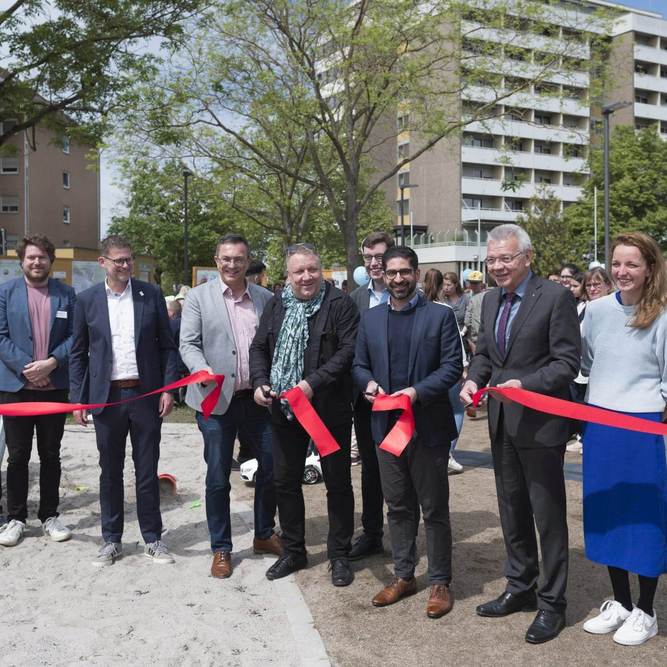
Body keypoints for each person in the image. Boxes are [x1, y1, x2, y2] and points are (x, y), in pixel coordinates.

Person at [460, 224, 580, 644]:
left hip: (541, 424)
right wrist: (474, 380)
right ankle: (520, 586)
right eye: (491, 259)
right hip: (501, 422)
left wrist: (525, 386)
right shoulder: (489, 299)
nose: (496, 266)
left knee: (547, 517)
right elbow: (486, 355)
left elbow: (567, 363)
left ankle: (552, 603)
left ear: (527, 257)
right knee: (511, 509)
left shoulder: (556, 296)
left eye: (505, 258)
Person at [353, 246, 462, 618]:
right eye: (391, 272)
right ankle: (404, 575)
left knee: (434, 509)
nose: (397, 279)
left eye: (405, 272)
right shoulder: (369, 320)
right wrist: (367, 385)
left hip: (427, 428)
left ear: (416, 274)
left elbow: (451, 368)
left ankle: (440, 581)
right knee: (397, 506)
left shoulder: (440, 317)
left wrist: (414, 393)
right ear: (381, 274)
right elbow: (358, 364)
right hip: (386, 429)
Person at [250, 243, 359, 586]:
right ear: (288, 275)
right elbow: (258, 347)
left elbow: (347, 352)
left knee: (338, 483)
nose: (306, 276)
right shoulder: (276, 303)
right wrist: (260, 382)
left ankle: (339, 555)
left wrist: (312, 383)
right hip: (283, 409)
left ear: (321, 269)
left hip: (328, 409)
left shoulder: (340, 304)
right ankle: (294, 551)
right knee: (285, 482)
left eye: (312, 269)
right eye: (299, 271)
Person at [580, 232, 667, 646]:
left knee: (643, 516)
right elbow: (587, 360)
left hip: (644, 427)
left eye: (632, 264)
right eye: (617, 263)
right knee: (608, 511)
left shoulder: (664, 314)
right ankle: (621, 602)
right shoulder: (595, 311)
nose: (622, 271)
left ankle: (647, 610)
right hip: (600, 424)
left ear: (650, 268)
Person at [70, 235, 178, 567]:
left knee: (147, 472)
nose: (126, 265)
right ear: (102, 262)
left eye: (129, 259)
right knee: (110, 472)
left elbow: (167, 347)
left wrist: (168, 388)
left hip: (145, 396)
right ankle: (111, 539)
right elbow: (78, 354)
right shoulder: (86, 300)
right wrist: (78, 399)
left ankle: (152, 538)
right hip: (107, 399)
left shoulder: (151, 295)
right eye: (119, 260)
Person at [179, 234, 280, 579]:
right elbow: (188, 343)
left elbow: (272, 346)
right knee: (218, 476)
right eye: (226, 258)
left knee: (271, 467)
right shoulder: (197, 297)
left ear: (248, 260)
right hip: (214, 399)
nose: (232, 264)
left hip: (257, 400)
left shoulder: (266, 298)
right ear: (216, 259)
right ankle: (221, 547)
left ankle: (264, 534)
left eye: (239, 258)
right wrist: (199, 369)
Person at [0, 235, 76, 547]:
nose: (37, 262)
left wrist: (52, 363)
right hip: (16, 388)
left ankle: (49, 515)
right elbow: (0, 335)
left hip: (53, 388)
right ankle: (16, 518)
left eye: (42, 257)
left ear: (50, 260)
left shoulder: (67, 294)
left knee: (50, 454)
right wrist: (27, 366)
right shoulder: (5, 292)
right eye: (31, 257)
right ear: (21, 261)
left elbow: (75, 336)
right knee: (18, 456)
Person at [347, 231, 394, 561]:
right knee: (370, 468)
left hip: (404, 399)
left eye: (380, 256)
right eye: (368, 258)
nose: (375, 263)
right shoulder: (355, 299)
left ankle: (404, 529)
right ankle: (373, 532)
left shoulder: (410, 294)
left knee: (404, 468)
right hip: (366, 399)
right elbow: (350, 350)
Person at [422, 268, 465, 474]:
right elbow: (456, 344)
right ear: (441, 286)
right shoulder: (444, 310)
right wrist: (463, 366)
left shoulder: (419, 308)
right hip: (447, 370)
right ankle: (448, 451)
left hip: (427, 373)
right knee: (456, 409)